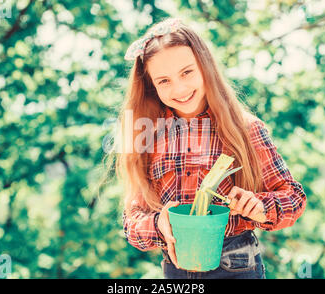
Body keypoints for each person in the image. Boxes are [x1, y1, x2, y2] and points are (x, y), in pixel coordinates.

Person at [115, 18, 307, 279]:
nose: (179, 89)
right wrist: (158, 225)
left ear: (205, 67)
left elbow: (294, 199)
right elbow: (131, 221)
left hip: (237, 264)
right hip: (176, 268)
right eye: (164, 81)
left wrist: (259, 206)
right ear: (151, 85)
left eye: (187, 72)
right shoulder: (148, 134)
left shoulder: (246, 128)